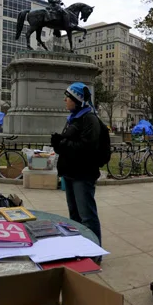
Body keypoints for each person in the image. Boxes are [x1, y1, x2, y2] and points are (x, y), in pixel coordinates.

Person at [50, 81, 111, 232]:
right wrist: (58, 144)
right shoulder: (73, 118)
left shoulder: (89, 119)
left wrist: (62, 144)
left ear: (77, 100)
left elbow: (87, 148)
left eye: (68, 97)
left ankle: (95, 254)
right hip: (70, 173)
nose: (65, 100)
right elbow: (68, 144)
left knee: (87, 218)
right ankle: (79, 251)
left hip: (82, 175)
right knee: (74, 217)